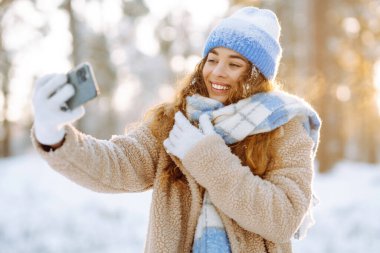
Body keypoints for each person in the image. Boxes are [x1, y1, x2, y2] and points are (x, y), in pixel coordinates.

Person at [31, 6, 321, 253]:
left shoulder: (286, 126)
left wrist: (205, 157)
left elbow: (283, 217)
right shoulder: (176, 122)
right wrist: (53, 135)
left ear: (256, 77)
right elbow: (117, 164)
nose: (217, 72)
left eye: (234, 64)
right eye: (212, 59)